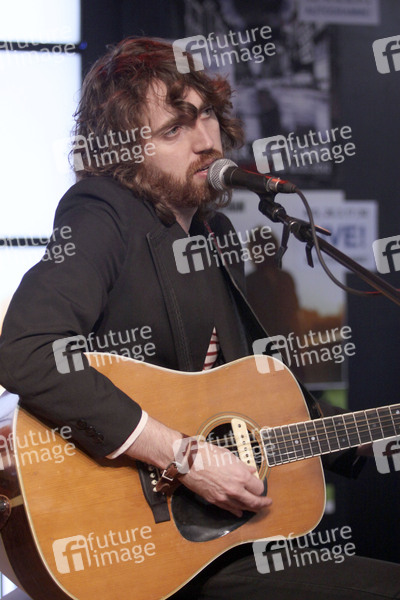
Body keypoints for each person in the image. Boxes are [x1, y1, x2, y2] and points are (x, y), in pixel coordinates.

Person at [0, 37, 398, 599]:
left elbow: (248, 401)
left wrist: (369, 439)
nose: (206, 141)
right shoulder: (102, 212)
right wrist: (184, 457)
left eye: (207, 115)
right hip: (126, 539)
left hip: (212, 540)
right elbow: (26, 348)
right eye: (174, 130)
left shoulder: (217, 235)